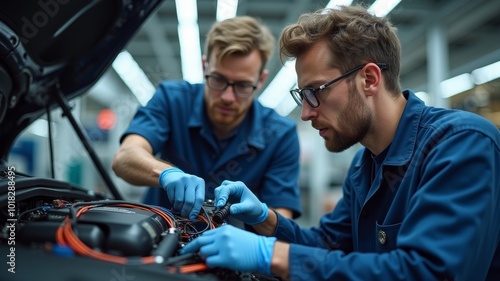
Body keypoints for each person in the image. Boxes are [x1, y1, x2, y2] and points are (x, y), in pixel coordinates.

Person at [180, 5, 500, 280]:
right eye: (302, 96)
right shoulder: (365, 166)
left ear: (369, 79)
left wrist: (274, 255)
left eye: (315, 92)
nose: (305, 113)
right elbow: (329, 245)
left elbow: (427, 272)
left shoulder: (460, 144)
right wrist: (267, 220)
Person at [111, 16, 302, 222]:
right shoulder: (172, 100)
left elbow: (283, 219)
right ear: (205, 66)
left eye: (242, 86)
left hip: (234, 251)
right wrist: (166, 173)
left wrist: (260, 224)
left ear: (261, 80)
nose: (228, 97)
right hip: (160, 243)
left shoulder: (280, 134)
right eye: (218, 79)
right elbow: (125, 157)